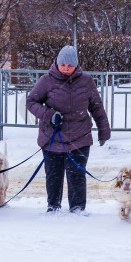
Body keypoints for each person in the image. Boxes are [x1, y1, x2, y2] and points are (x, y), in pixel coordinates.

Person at [26, 45, 111, 213]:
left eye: (70, 66)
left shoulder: (86, 81)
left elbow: (96, 107)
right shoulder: (46, 81)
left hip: (79, 137)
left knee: (77, 176)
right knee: (53, 176)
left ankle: (77, 209)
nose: (66, 69)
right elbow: (31, 102)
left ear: (76, 65)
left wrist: (104, 131)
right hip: (52, 137)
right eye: (63, 65)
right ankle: (53, 207)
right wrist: (49, 114)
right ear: (57, 63)